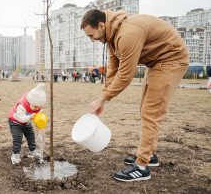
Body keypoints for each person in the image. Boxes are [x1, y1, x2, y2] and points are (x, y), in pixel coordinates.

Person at [81, 9, 189, 182]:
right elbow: (113, 70)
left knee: (151, 112)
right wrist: (103, 96)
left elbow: (125, 76)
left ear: (101, 25)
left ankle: (141, 167)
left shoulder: (127, 34)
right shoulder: (112, 38)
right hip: (155, 62)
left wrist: (103, 99)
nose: (92, 40)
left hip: (171, 59)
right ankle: (150, 155)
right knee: (144, 110)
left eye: (91, 35)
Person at [8, 83, 46, 165]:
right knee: (18, 138)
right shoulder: (22, 106)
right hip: (15, 121)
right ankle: (16, 155)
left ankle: (32, 151)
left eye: (39, 107)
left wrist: (40, 126)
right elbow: (21, 117)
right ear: (29, 101)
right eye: (35, 106)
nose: (37, 109)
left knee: (31, 136)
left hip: (26, 122)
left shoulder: (38, 107)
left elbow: (38, 118)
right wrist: (29, 117)